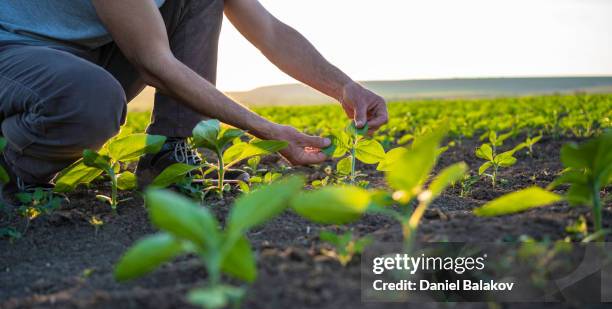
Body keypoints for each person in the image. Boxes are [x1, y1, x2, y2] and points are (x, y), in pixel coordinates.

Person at [0, 0, 388, 195]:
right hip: (15, 53)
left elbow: (268, 30)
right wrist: (268, 130)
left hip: (86, 52)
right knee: (89, 100)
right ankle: (12, 168)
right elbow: (154, 63)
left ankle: (169, 154)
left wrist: (345, 87)